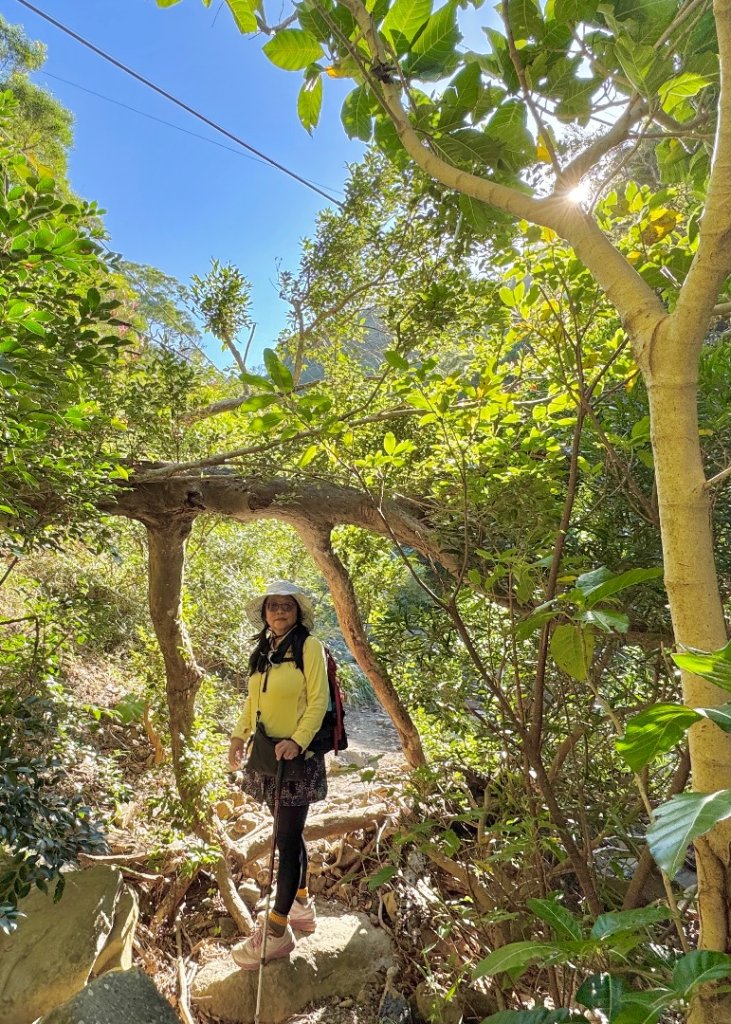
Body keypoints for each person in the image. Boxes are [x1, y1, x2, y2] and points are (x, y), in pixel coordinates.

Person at [228, 580, 330, 969]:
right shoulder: (264, 651)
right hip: (268, 755)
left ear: (297, 612)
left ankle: (276, 932)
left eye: (287, 606)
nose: (280, 612)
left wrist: (298, 741)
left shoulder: (309, 647)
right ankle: (301, 904)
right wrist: (238, 736)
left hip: (297, 758)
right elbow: (252, 701)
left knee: (285, 840)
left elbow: (318, 700)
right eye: (273, 606)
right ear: (265, 613)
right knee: (289, 832)